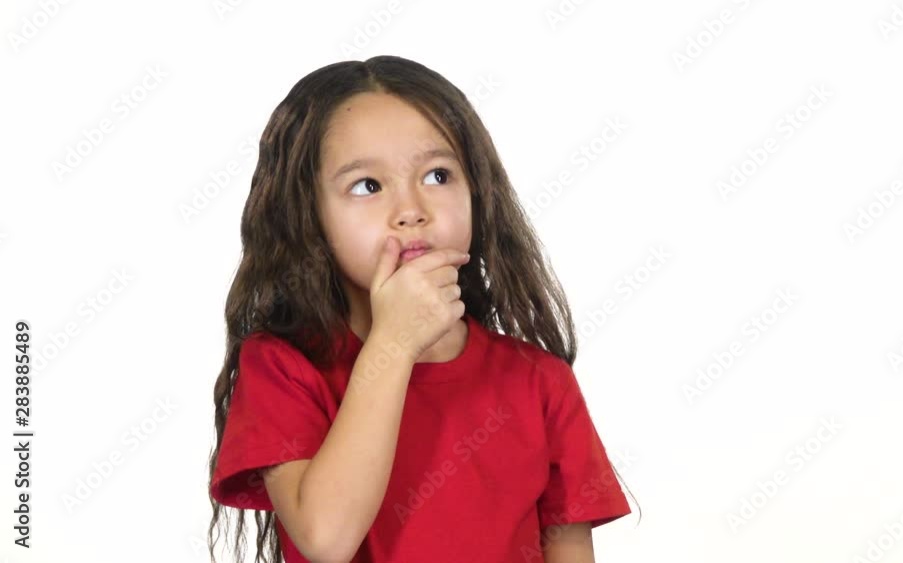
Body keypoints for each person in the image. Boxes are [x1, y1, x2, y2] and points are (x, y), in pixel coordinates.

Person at [206, 55, 638, 563]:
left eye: (437, 175)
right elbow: (325, 539)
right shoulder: (283, 367)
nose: (412, 210)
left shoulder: (540, 380)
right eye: (367, 186)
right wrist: (393, 342)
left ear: (478, 191)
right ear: (308, 216)